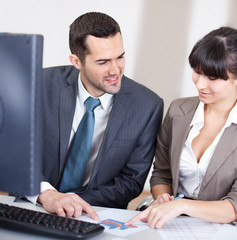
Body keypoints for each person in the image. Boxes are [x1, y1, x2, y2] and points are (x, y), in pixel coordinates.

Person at [126, 26, 237, 228]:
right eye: (197, 72)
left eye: (212, 78)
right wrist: (163, 199)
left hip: (221, 230)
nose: (200, 84)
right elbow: (161, 173)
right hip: (172, 226)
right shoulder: (178, 110)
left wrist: (182, 206)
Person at [26, 12, 163, 220]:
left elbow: (131, 181)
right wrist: (47, 195)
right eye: (103, 62)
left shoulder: (147, 106)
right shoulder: (38, 85)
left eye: (120, 57)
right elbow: (16, 153)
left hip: (95, 214)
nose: (116, 70)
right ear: (76, 61)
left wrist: (70, 201)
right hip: (34, 205)